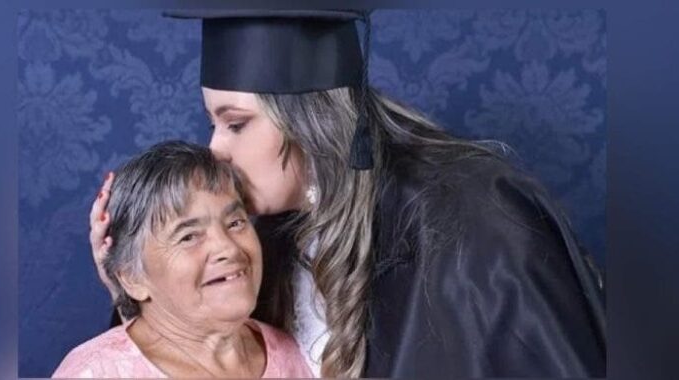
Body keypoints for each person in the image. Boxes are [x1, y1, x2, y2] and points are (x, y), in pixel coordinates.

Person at [89, 10, 606, 378]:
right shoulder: (261, 230)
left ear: (309, 119)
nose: (215, 149)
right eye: (213, 123)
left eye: (236, 124)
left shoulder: (473, 218)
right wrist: (137, 288)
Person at [55, 141, 312, 378]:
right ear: (132, 277)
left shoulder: (292, 358)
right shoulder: (97, 372)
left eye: (235, 222)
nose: (227, 247)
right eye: (189, 236)